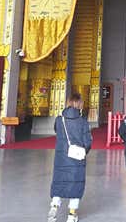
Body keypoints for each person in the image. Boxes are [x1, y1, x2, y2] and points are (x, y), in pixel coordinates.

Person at [48, 93, 92, 222]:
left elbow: (57, 131)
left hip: (61, 157)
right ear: (80, 104)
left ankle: (54, 207)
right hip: (77, 158)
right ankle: (72, 215)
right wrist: (84, 151)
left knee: (59, 182)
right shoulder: (82, 121)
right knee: (75, 185)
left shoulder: (59, 119)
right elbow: (87, 141)